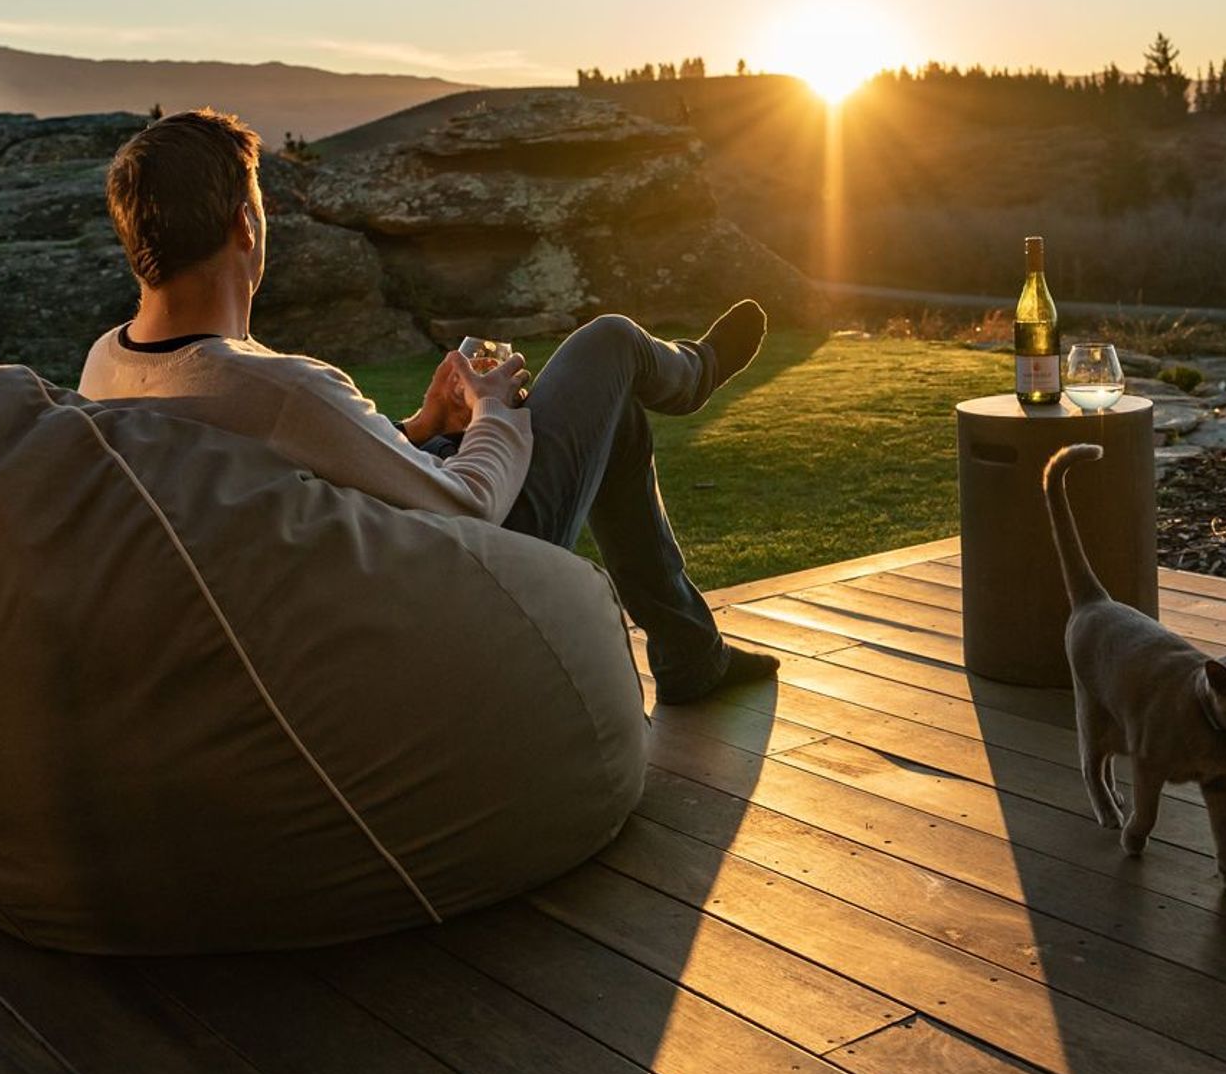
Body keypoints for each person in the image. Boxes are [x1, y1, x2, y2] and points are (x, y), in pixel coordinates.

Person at [77, 107, 780, 703]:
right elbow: (471, 506)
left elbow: (313, 482)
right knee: (610, 344)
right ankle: (692, 374)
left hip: (354, 572)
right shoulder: (282, 390)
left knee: (614, 419)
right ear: (244, 227)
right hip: (461, 577)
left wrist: (425, 426)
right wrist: (496, 408)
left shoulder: (107, 365)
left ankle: (692, 652)